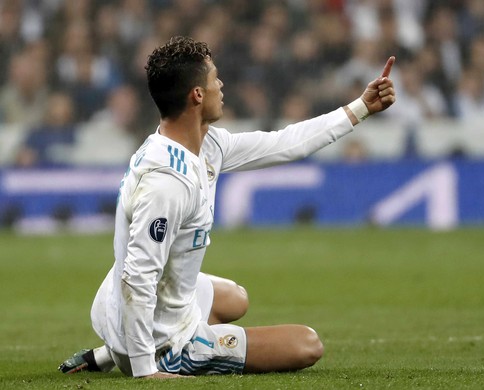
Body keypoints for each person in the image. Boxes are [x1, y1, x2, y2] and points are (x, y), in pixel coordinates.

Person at [58, 36, 396, 378]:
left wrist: (360, 109)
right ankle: (147, 355)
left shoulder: (203, 142)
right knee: (307, 345)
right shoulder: (166, 183)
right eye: (214, 78)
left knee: (236, 299)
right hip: (160, 340)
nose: (221, 85)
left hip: (126, 304)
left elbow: (283, 143)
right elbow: (138, 276)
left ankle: (103, 355)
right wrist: (145, 370)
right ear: (197, 95)